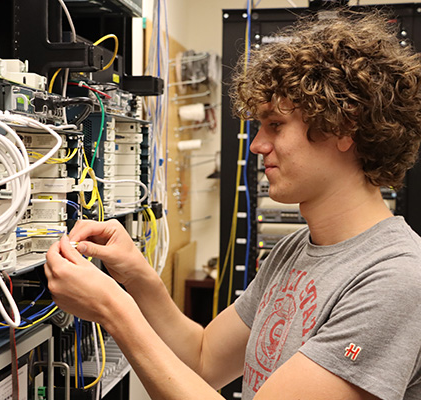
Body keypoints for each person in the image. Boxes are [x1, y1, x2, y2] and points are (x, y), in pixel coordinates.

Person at [45, 9, 421, 400]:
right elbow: (203, 360)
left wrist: (113, 311)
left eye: (275, 125)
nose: (258, 145)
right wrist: (137, 277)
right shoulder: (293, 251)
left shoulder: (396, 280)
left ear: (344, 127)